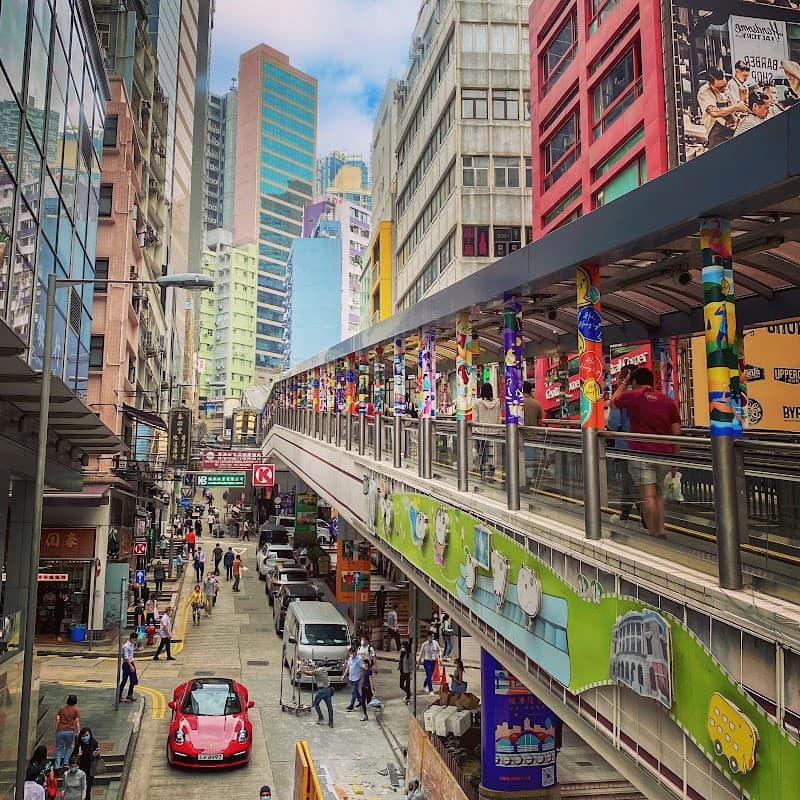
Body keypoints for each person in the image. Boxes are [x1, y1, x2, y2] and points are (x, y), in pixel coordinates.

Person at [611, 366, 681, 539]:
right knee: (659, 495)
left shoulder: (634, 396)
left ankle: (652, 533)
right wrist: (676, 458)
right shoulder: (667, 401)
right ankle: (661, 530)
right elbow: (676, 432)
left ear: (634, 382)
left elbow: (614, 401)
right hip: (664, 453)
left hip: (641, 452)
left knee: (647, 495)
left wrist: (624, 383)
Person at [607, 366, 636, 521]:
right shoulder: (647, 394)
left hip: (626, 447)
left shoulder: (621, 397)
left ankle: (647, 521)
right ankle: (624, 515)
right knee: (630, 483)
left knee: (632, 484)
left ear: (622, 379)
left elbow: (613, 423)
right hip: (648, 447)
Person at [697, 66, 747, 148]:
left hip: (731, 129)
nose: (724, 89)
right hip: (716, 134)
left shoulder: (725, 89)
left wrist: (740, 107)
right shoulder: (704, 92)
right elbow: (714, 113)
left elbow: (733, 106)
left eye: (725, 85)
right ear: (710, 84)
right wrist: (735, 107)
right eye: (720, 88)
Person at [474, 383, 500, 475]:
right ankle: (491, 465)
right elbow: (498, 418)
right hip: (494, 431)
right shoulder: (497, 403)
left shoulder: (477, 403)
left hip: (480, 431)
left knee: (481, 451)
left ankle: (482, 468)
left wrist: (474, 429)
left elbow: (475, 418)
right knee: (492, 450)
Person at [71, 727, 100, 800]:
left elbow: (96, 757)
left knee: (88, 789)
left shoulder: (94, 743)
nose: (85, 737)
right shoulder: (79, 745)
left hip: (90, 770)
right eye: (83, 736)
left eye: (87, 735)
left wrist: (96, 755)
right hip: (81, 769)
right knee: (84, 789)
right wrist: (78, 755)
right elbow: (72, 758)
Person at [54, 694, 80, 769]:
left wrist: (56, 729)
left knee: (59, 748)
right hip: (70, 731)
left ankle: (57, 765)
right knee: (68, 747)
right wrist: (78, 731)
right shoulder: (76, 710)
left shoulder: (62, 709)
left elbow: (57, 719)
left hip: (60, 730)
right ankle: (65, 763)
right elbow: (77, 721)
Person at [417, 631, 441, 695]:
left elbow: (439, 651)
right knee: (429, 674)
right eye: (431, 636)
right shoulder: (424, 644)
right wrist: (418, 664)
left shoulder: (435, 643)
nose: (432, 638)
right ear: (428, 637)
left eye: (433, 636)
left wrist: (440, 658)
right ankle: (431, 689)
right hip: (427, 661)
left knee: (429, 675)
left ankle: (425, 685)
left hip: (433, 661)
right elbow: (421, 654)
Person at [119, 633, 138, 702]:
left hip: (131, 663)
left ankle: (130, 694)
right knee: (124, 680)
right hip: (127, 664)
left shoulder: (132, 644)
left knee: (133, 680)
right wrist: (131, 666)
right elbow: (126, 658)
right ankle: (119, 696)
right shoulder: (126, 646)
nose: (135, 641)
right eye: (135, 640)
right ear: (132, 638)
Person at [343, 645, 363, 711]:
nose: (351, 654)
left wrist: (361, 675)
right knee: (356, 690)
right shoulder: (350, 658)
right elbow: (348, 668)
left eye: (352, 653)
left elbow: (362, 667)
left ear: (355, 652)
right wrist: (344, 675)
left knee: (354, 691)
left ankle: (351, 705)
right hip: (351, 677)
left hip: (357, 677)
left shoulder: (359, 659)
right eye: (350, 653)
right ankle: (361, 700)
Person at [359, 656, 376, 721]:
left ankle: (368, 713)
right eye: (364, 663)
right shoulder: (363, 671)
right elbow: (362, 679)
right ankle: (365, 714)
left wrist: (372, 689)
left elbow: (370, 680)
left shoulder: (369, 671)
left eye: (365, 663)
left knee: (369, 701)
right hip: (363, 687)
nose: (364, 665)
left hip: (368, 688)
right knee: (363, 701)